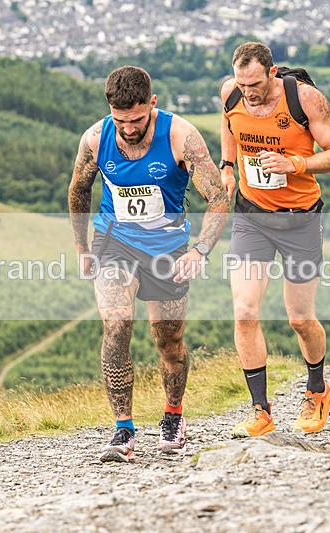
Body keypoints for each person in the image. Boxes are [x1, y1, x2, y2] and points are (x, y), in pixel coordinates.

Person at [69, 66, 229, 462]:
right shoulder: (95, 138)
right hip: (114, 241)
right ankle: (123, 429)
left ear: (152, 104)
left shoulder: (180, 136)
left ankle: (173, 415)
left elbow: (218, 198)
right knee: (116, 324)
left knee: (168, 340)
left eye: (137, 120)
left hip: (168, 249)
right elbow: (78, 190)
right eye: (120, 120)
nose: (128, 129)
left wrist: (200, 250)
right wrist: (81, 246)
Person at [219, 42, 330, 437]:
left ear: (272, 73)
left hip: (300, 221)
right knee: (245, 311)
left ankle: (317, 389)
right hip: (252, 217)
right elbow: (230, 125)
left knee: (300, 318)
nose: (248, 92)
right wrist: (228, 166)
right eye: (242, 84)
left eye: (255, 84)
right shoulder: (231, 93)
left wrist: (296, 164)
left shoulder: (305, 99)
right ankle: (260, 410)